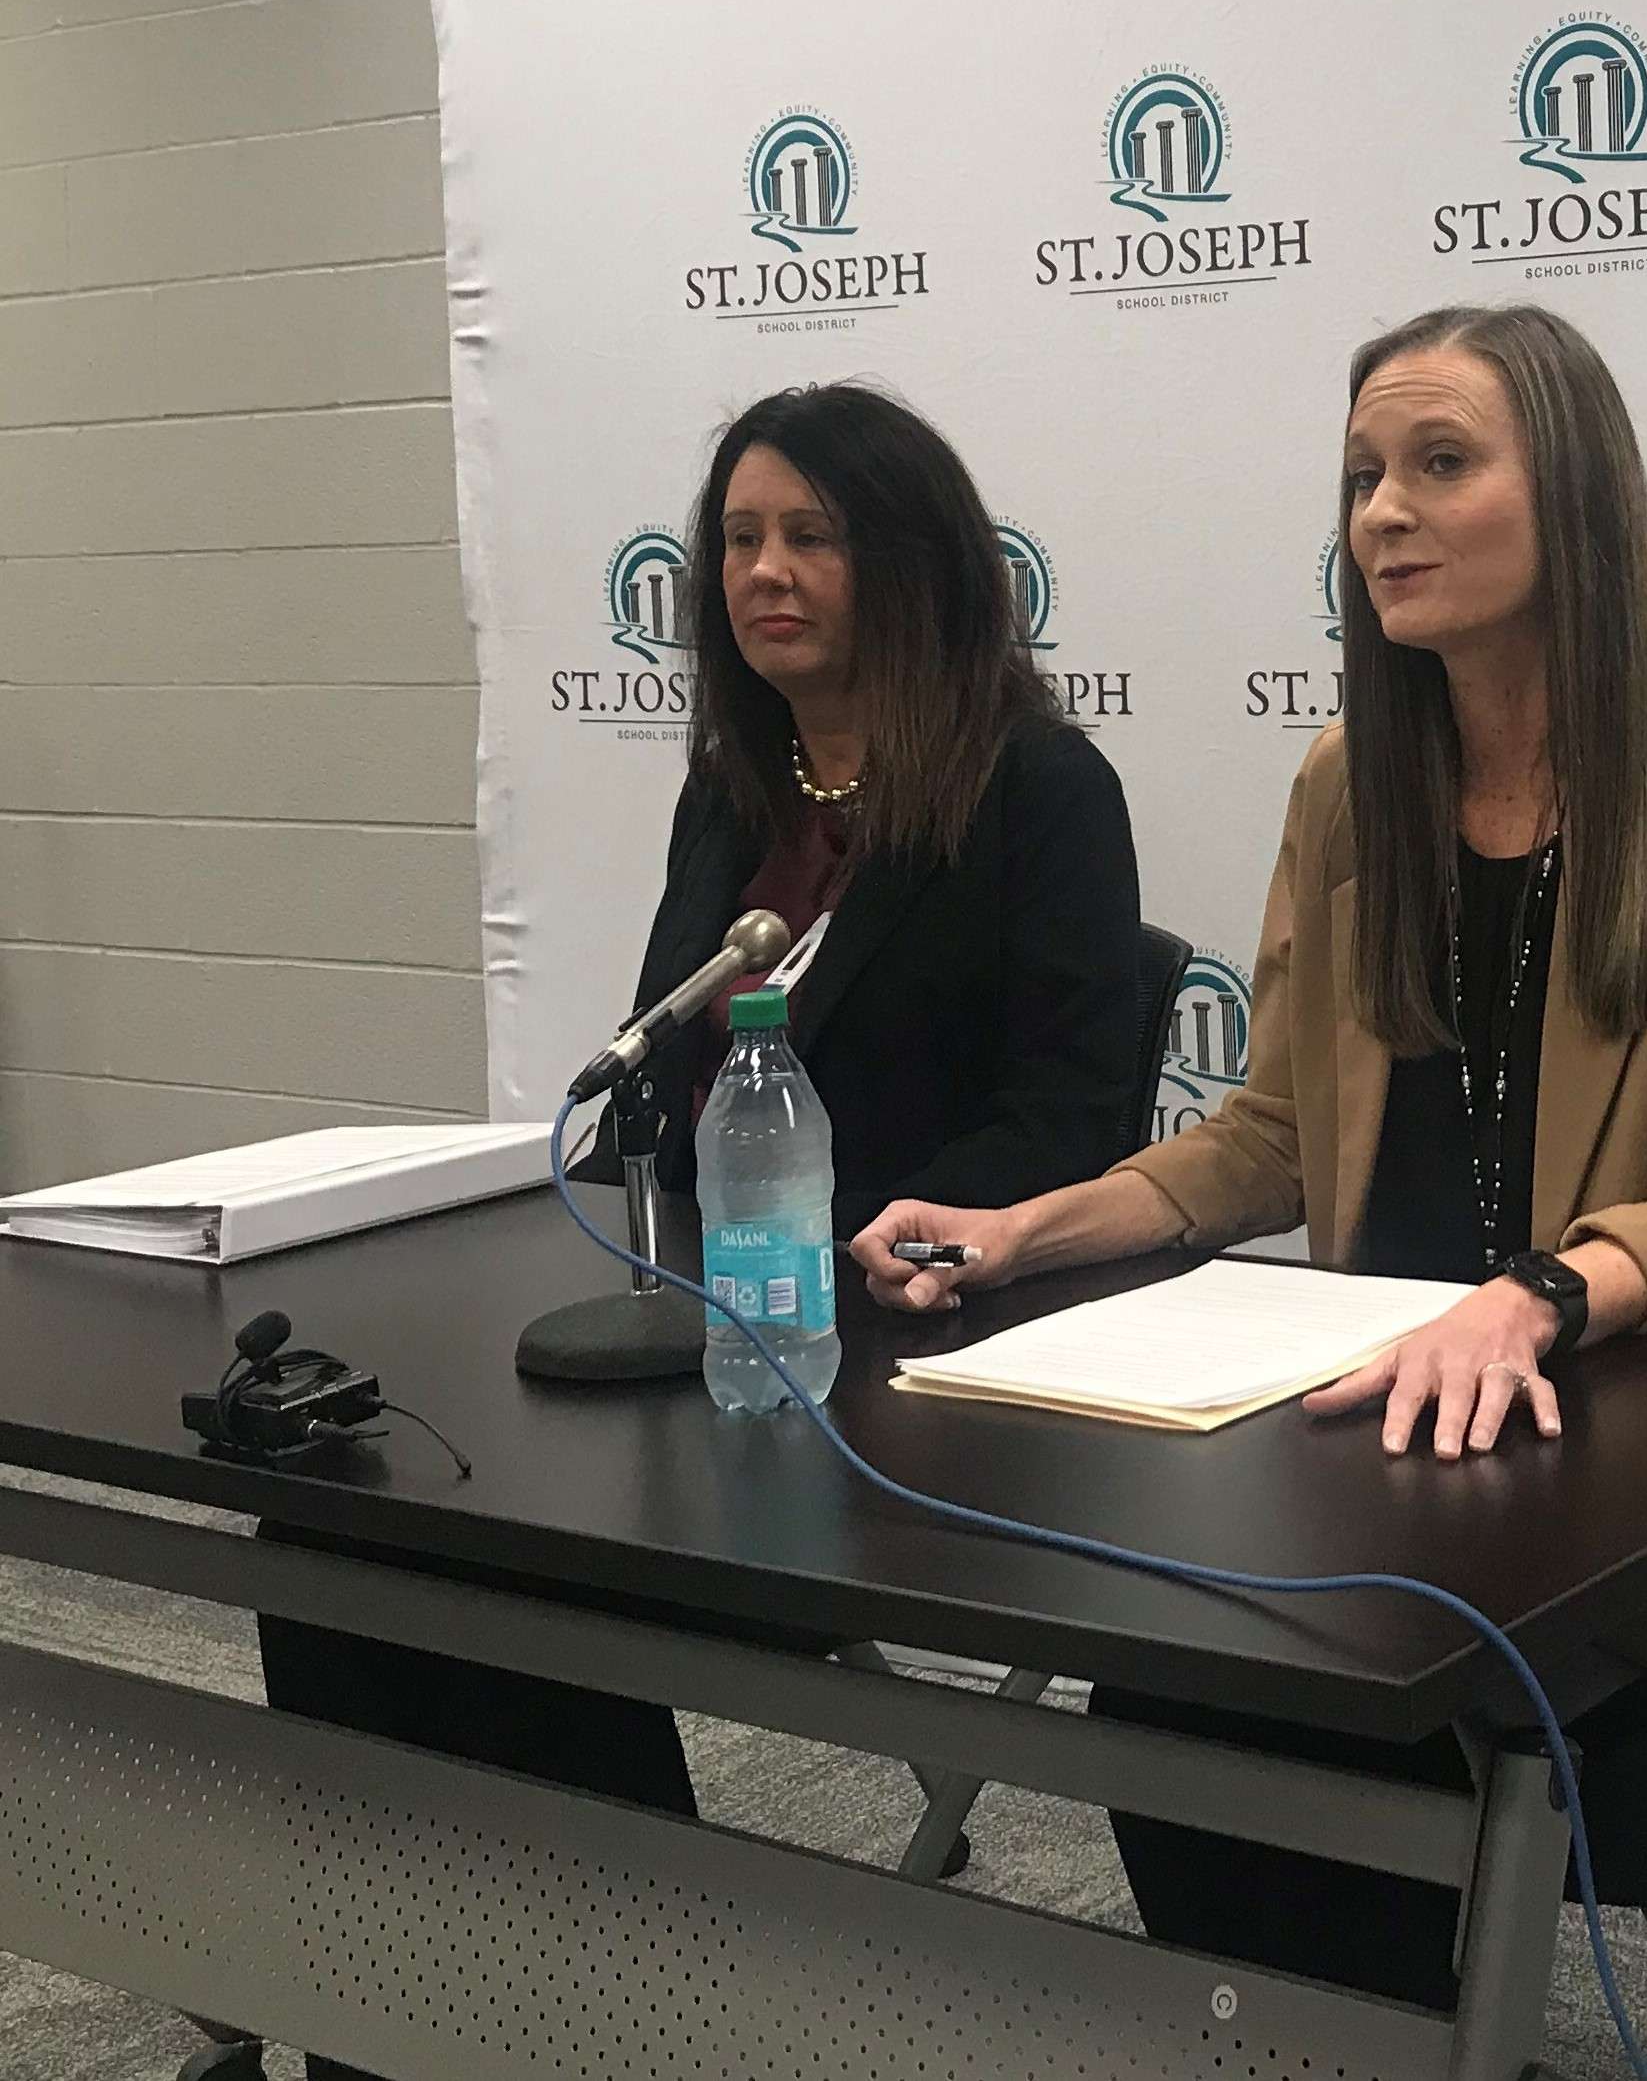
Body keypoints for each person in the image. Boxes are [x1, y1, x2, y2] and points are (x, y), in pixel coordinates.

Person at [851, 305, 1647, 2010]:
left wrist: (1522, 1302)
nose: (1381, 512)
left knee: (1349, 1714)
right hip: (1388, 1431)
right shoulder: (1350, 783)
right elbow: (1271, 1139)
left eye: (1439, 465)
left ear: (1570, 498)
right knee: (1180, 1689)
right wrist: (1028, 1230)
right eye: (1364, 474)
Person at [260, 383, 1143, 2080]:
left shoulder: (1040, 790)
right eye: (739, 537)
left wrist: (884, 1241)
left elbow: (1073, 1121)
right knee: (343, 1527)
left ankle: (618, 2011)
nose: (766, 570)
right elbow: (661, 1074)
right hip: (711, 1324)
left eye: (812, 534)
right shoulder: (736, 791)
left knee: (518, 1571)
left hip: (905, 1358)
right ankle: (383, 2011)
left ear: (914, 560)